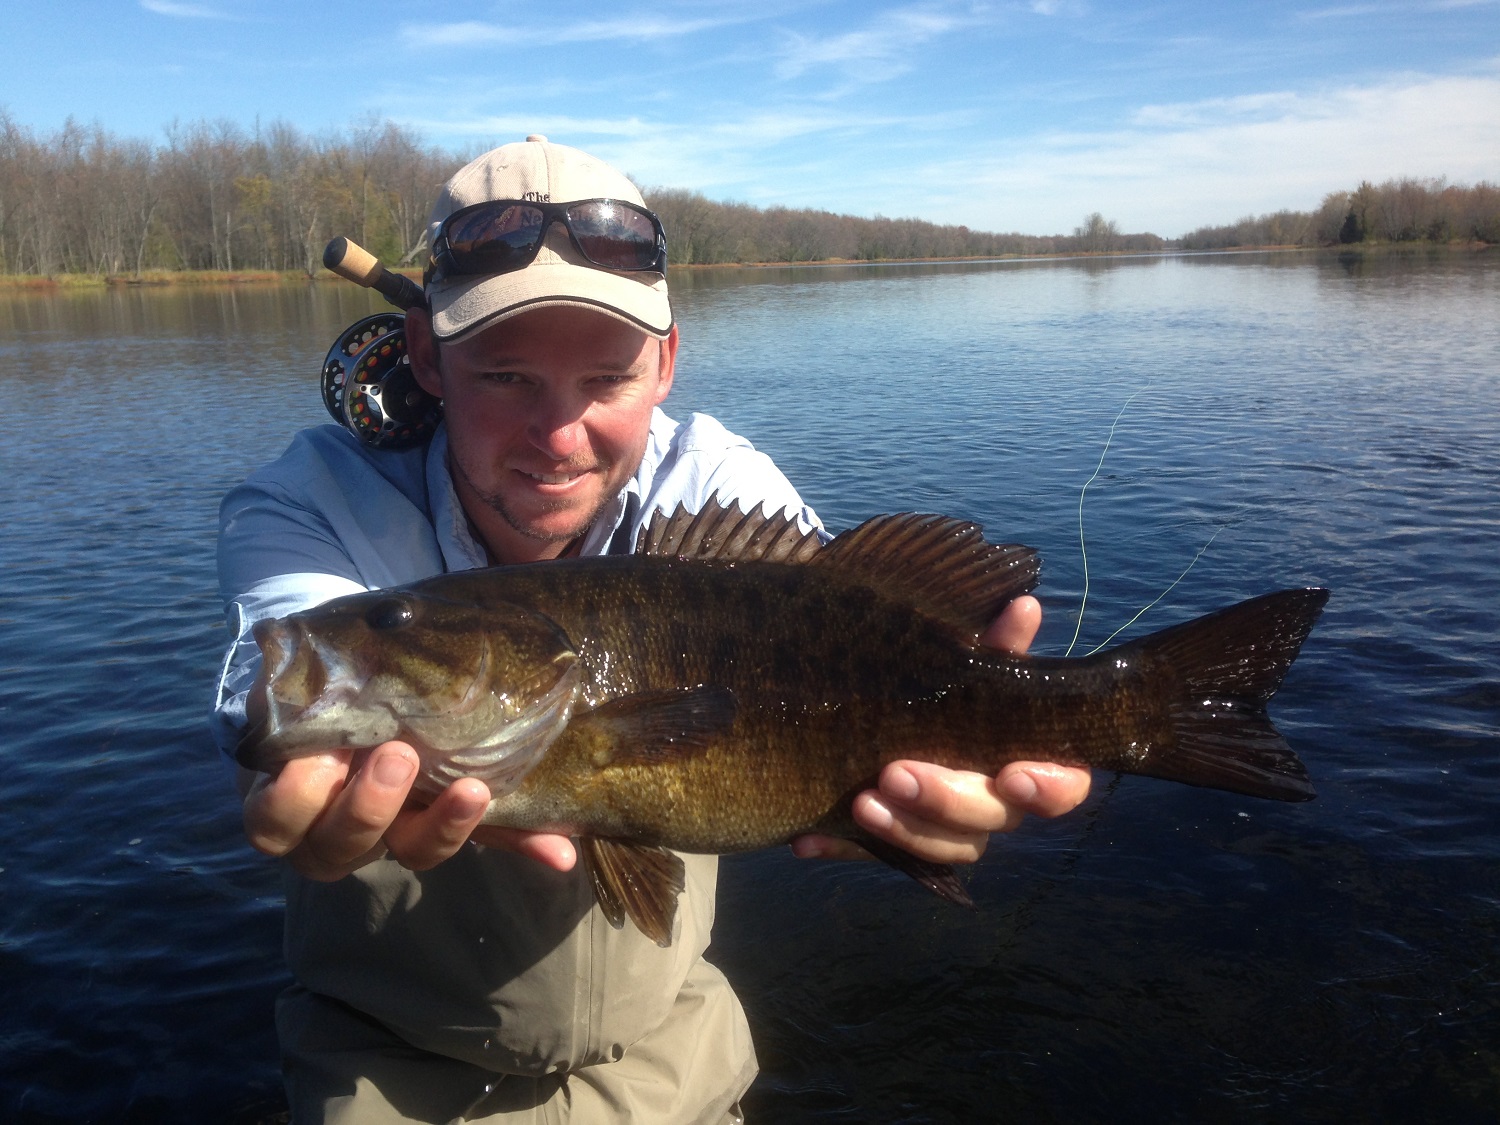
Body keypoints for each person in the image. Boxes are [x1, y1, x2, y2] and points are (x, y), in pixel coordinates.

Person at [214, 135, 1092, 1124]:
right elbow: (276, 684)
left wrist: (972, 763)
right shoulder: (308, 502)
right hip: (385, 1071)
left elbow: (847, 634)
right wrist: (277, 773)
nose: (559, 436)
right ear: (425, 356)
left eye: (606, 381)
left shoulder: (715, 486)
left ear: (667, 362)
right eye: (506, 376)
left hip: (673, 1060)